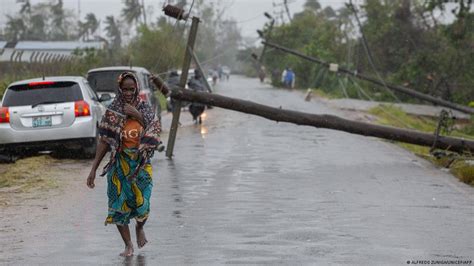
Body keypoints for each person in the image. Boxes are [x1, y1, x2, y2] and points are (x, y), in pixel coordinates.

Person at [86, 72, 161, 257]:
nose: (128, 93)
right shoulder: (113, 111)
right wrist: (94, 169)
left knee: (143, 204)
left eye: (131, 89)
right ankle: (128, 245)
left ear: (136, 89)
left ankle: (140, 227)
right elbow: (104, 140)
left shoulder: (144, 108)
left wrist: (137, 116)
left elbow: (155, 129)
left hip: (140, 164)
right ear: (119, 89)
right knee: (118, 206)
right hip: (119, 163)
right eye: (125, 89)